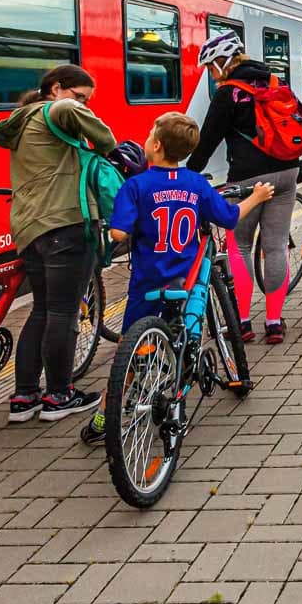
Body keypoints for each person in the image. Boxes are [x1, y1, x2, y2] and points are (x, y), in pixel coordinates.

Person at [80, 112, 273, 444]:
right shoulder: (196, 184)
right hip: (185, 280)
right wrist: (255, 197)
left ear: (155, 145)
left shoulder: (135, 186)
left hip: (147, 283)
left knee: (130, 347)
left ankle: (104, 417)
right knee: (181, 331)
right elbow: (227, 218)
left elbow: (117, 232)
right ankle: (179, 378)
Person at [0, 65, 117, 422]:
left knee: (42, 310)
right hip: (66, 224)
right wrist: (95, 132)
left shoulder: (24, 119)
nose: (83, 105)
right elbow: (105, 140)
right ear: (56, 88)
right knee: (63, 312)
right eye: (81, 97)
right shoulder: (58, 109)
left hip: (30, 229)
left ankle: (24, 396)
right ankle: (59, 395)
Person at [186, 31, 299, 345]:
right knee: (275, 247)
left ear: (223, 61)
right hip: (287, 173)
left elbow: (208, 140)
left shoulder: (230, 92)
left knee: (241, 247)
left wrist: (188, 174)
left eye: (211, 67)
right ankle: (274, 323)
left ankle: (243, 322)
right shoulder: (274, 82)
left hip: (248, 179)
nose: (211, 74)